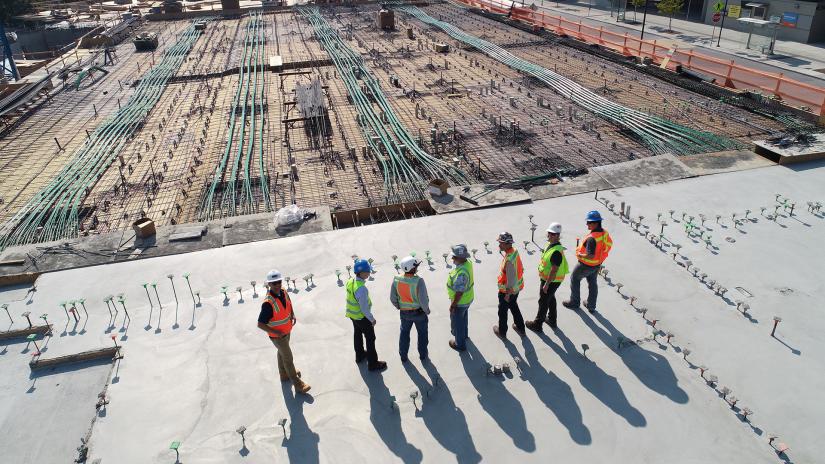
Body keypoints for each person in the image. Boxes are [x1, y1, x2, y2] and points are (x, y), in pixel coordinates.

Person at [257, 269, 311, 394]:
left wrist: (292, 314)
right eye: (274, 283)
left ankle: (284, 374)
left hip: (287, 330)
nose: (277, 285)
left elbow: (289, 303)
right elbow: (260, 324)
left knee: (282, 353)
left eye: (279, 282)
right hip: (278, 336)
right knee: (288, 358)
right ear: (269, 284)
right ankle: (298, 384)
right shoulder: (268, 303)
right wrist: (276, 333)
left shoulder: (283, 291)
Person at [563, 211, 613, 313]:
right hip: (597, 264)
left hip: (585, 265)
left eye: (589, 222)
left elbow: (590, 255)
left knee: (574, 279)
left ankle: (574, 302)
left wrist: (580, 254)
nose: (587, 224)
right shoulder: (604, 233)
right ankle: (591, 305)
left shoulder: (591, 239)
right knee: (593, 283)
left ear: (596, 223)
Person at [346, 259, 387, 371]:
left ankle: (359, 355)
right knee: (370, 338)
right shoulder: (361, 288)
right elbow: (364, 308)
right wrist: (372, 319)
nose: (369, 273)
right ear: (362, 272)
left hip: (352, 315)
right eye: (368, 271)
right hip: (362, 317)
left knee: (357, 334)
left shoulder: (350, 281)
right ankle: (373, 363)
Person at [526, 222, 568, 332]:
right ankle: (552, 320)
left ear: (558, 235)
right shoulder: (551, 245)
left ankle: (537, 324)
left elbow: (554, 270)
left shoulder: (556, 252)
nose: (550, 235)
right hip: (549, 279)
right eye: (549, 233)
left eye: (553, 234)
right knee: (550, 298)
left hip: (551, 280)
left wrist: (546, 284)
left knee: (543, 301)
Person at [390, 256, 430, 362]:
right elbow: (423, 300)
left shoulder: (397, 279)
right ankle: (423, 355)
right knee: (422, 334)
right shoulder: (419, 281)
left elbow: (393, 298)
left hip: (404, 313)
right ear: (412, 268)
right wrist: (427, 310)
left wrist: (398, 306)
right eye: (416, 266)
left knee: (404, 333)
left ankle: (403, 356)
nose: (417, 267)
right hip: (419, 313)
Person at [493, 232, 525, 338]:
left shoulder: (509, 261)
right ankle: (521, 328)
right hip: (516, 288)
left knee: (502, 311)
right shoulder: (514, 252)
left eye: (501, 243)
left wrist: (507, 295)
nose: (499, 245)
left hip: (507, 291)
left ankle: (502, 332)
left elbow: (510, 279)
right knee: (513, 305)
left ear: (507, 244)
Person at [447, 244, 474, 351]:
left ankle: (460, 344)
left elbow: (459, 292)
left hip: (460, 302)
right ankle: (464, 335)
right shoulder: (468, 263)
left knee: (458, 323)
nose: (452, 259)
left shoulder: (461, 274)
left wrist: (453, 305)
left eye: (454, 257)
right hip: (468, 299)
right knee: (463, 318)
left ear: (461, 258)